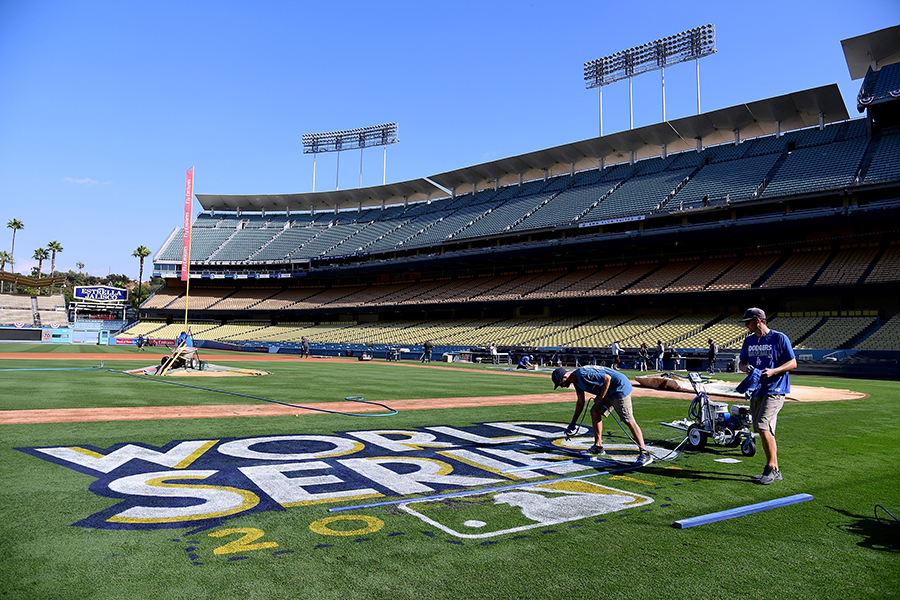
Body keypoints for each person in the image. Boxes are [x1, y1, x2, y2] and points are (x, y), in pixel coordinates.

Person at [737, 308, 797, 485]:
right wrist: (745, 368)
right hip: (757, 389)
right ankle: (775, 469)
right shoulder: (749, 341)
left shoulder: (779, 338)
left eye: (748, 322)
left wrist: (774, 371)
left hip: (776, 389)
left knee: (762, 426)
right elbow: (742, 362)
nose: (746, 325)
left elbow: (793, 362)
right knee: (762, 428)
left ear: (758, 321)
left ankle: (771, 467)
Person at [551, 365, 653, 467]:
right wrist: (573, 422)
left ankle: (644, 453)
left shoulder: (582, 374)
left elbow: (607, 378)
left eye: (560, 384)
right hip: (608, 390)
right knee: (595, 412)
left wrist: (600, 397)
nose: (561, 386)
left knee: (629, 420)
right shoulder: (577, 382)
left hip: (619, 388)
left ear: (564, 378)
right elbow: (580, 403)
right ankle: (598, 446)